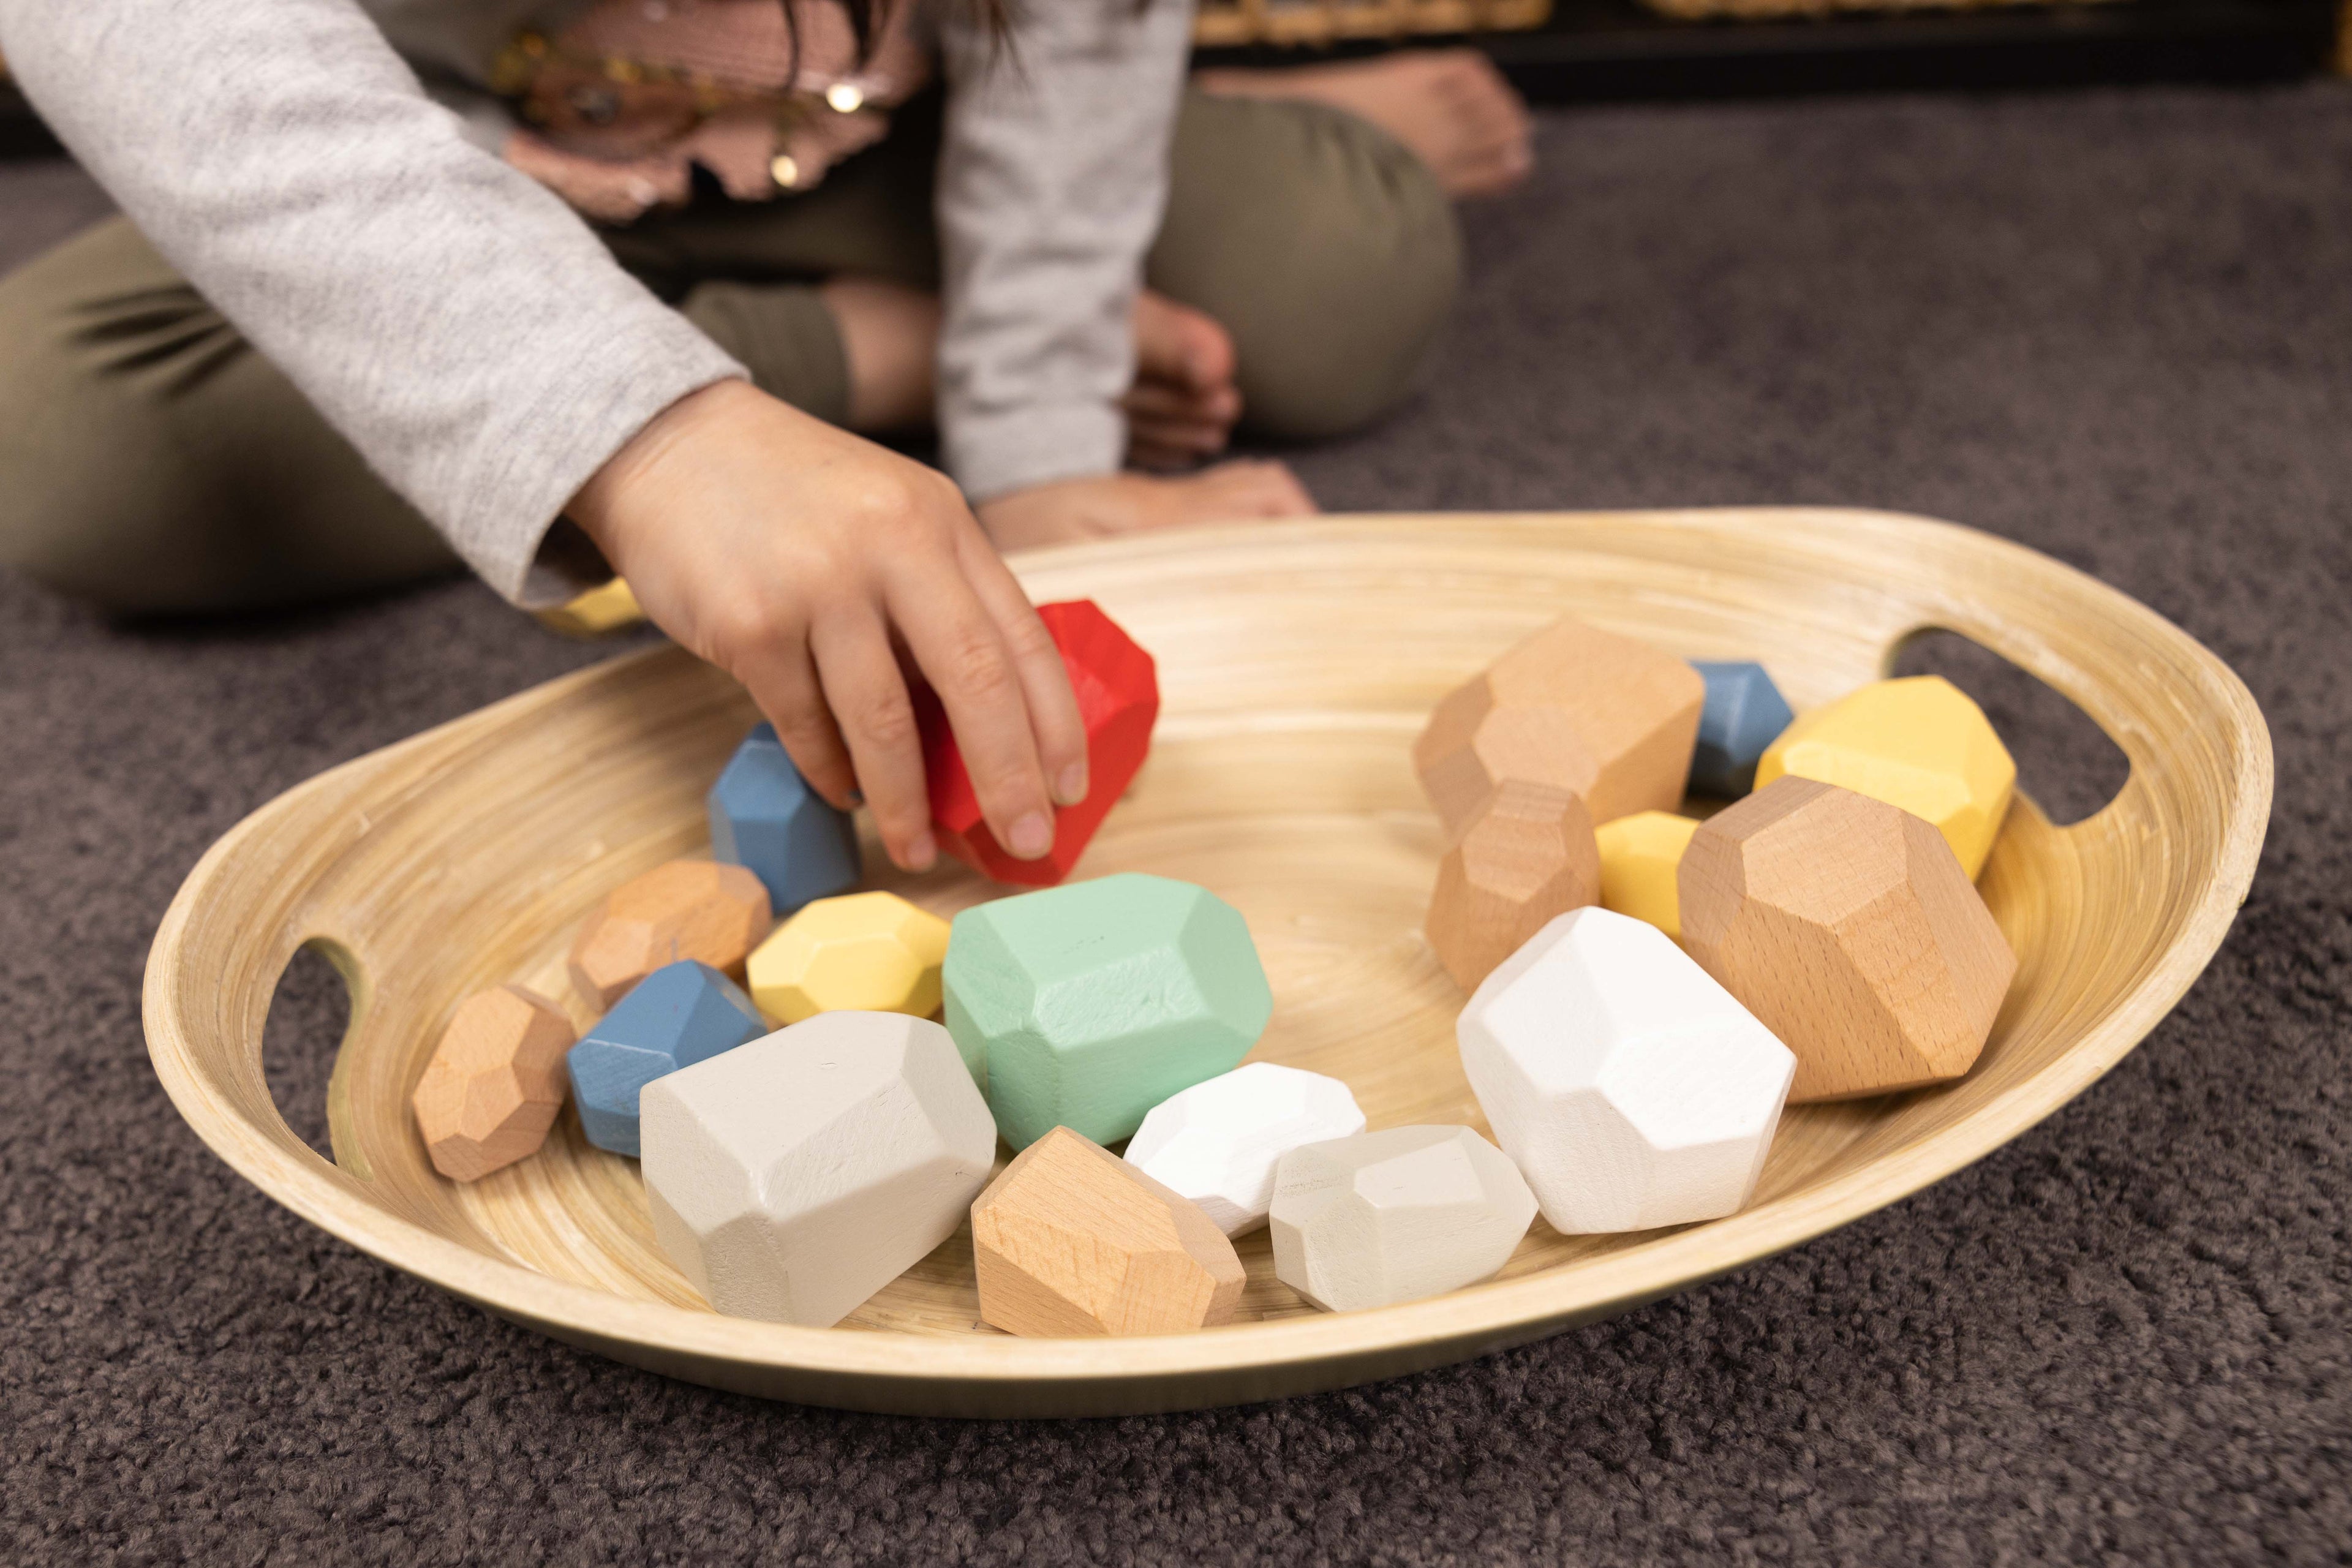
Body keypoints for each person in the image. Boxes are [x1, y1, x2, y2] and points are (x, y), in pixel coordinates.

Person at [0, 0, 1471, 878]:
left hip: (870, 131)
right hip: (454, 175)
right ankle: (861, 344)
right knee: (61, 446)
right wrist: (652, 438)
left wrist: (1034, 451)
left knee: (1352, 273)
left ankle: (1217, 124)